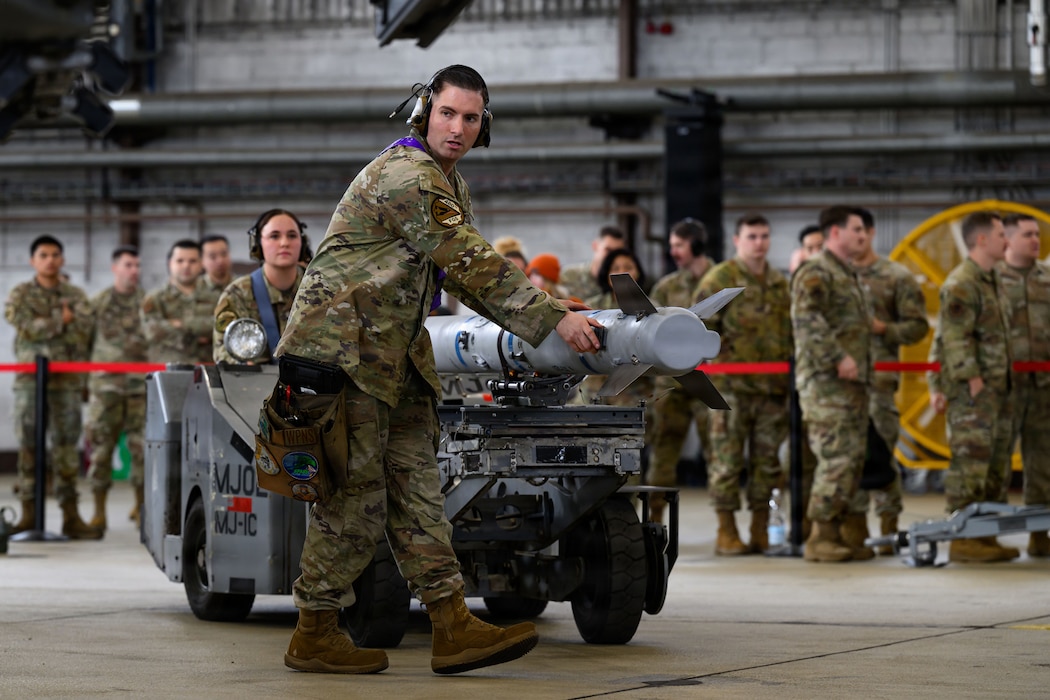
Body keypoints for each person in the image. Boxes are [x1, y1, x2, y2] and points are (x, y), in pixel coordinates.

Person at [272, 65, 602, 676]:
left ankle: (450, 623)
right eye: (448, 113)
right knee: (355, 501)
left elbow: (461, 277)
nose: (458, 127)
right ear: (424, 111)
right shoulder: (407, 175)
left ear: (483, 126)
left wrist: (554, 310)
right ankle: (314, 629)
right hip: (342, 355)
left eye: (471, 118)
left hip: (392, 358)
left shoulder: (449, 184)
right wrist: (550, 318)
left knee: (419, 489)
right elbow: (471, 261)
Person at [697, 214, 792, 554]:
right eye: (752, 236)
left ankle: (760, 528)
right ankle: (726, 530)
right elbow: (698, 329)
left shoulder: (780, 284)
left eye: (765, 236)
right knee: (727, 460)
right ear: (737, 240)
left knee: (768, 462)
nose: (759, 243)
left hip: (770, 389)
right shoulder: (721, 280)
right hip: (730, 388)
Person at [928, 210, 1016, 563]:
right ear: (981, 240)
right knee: (970, 466)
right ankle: (963, 540)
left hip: (996, 389)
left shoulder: (990, 279)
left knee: (994, 467)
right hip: (974, 393)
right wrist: (972, 380)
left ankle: (985, 537)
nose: (1005, 240)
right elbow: (953, 338)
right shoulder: (961, 282)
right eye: (999, 234)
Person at [844, 208, 929, 557]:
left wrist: (884, 330)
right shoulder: (834, 275)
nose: (859, 237)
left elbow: (918, 326)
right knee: (848, 458)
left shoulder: (896, 276)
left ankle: (890, 528)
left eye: (864, 230)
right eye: (853, 230)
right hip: (843, 387)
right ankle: (855, 528)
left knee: (882, 457)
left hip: (880, 384)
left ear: (873, 233)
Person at [790, 206, 872, 563]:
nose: (863, 236)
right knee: (835, 457)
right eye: (856, 230)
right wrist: (838, 357)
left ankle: (839, 531)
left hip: (851, 385)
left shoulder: (847, 273)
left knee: (852, 458)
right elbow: (806, 321)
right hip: (826, 383)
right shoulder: (816, 271)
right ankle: (820, 535)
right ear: (835, 233)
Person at [4, 235, 100, 539]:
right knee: (29, 447)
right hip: (30, 382)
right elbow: (22, 323)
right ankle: (29, 515)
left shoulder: (75, 294)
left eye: (55, 254)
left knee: (66, 449)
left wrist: (48, 323)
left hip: (67, 382)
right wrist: (61, 319)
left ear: (62, 259)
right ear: (33, 260)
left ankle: (71, 516)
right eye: (43, 255)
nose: (50, 260)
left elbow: (84, 327)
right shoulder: (20, 293)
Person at [647, 218, 714, 523]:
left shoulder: (720, 281)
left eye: (678, 245)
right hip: (672, 382)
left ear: (696, 245)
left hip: (710, 380)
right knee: (664, 450)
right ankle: (654, 515)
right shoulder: (667, 286)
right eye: (671, 245)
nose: (673, 251)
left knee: (718, 451)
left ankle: (726, 523)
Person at [85, 246, 149, 529]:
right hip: (106, 388)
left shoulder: (148, 303)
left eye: (136, 265)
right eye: (128, 265)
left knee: (142, 449)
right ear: (115, 268)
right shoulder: (98, 303)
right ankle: (98, 512)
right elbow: (85, 342)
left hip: (139, 388)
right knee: (100, 449)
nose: (133, 270)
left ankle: (141, 505)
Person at [999, 212, 1050, 557]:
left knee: (1043, 462)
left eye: (1038, 234)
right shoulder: (991, 280)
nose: (1036, 240)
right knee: (996, 461)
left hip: (1043, 386)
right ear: (1009, 239)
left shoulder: (1048, 279)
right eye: (1028, 234)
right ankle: (988, 533)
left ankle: (1039, 533)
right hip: (1003, 388)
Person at [213, 209, 308, 364]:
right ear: (258, 244)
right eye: (274, 236)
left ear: (302, 242)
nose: (284, 243)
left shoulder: (322, 289)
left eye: (292, 235)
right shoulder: (237, 295)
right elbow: (225, 355)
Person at [141, 239, 215, 364]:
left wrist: (179, 324)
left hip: (207, 370)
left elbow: (222, 328)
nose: (186, 266)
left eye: (192, 261)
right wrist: (199, 333)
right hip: (167, 371)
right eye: (180, 261)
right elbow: (151, 332)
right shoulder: (155, 298)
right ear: (170, 263)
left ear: (201, 264)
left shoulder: (216, 297)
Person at [560, 225, 627, 301]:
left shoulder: (622, 282)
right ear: (595, 246)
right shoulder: (568, 276)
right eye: (608, 250)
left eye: (617, 253)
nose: (612, 256)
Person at [200, 234, 233, 300]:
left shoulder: (242, 286)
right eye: (213, 257)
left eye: (224, 254)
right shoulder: (194, 289)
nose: (220, 261)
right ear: (201, 261)